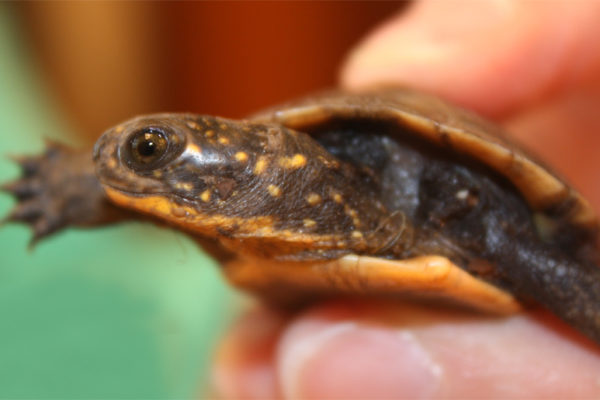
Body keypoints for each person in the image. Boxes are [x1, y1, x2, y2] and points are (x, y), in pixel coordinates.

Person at [213, 1, 600, 397]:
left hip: (490, 242)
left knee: (499, 238)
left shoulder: (424, 172)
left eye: (169, 149)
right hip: (308, 284)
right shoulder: (240, 230)